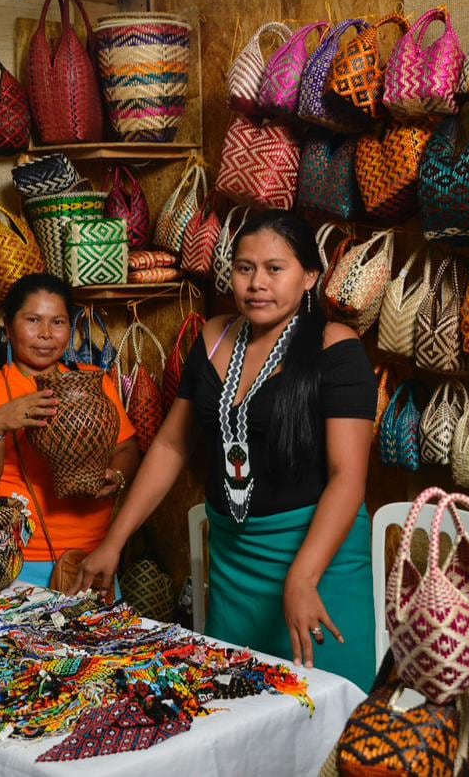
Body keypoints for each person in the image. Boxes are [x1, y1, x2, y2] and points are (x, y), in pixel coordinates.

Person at [73, 211, 377, 692]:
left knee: (327, 713)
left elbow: (348, 477)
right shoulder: (214, 339)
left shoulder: (336, 349)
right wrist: (114, 539)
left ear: (310, 277)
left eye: (275, 269)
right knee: (239, 713)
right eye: (244, 268)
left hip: (317, 559)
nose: (257, 284)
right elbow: (172, 445)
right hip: (235, 561)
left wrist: (303, 575)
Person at [0, 273, 140, 588]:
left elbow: (127, 450)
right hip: (10, 557)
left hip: (91, 555)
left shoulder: (93, 382)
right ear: (9, 328)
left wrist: (116, 477)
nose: (46, 334)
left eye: (58, 322)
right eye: (33, 320)